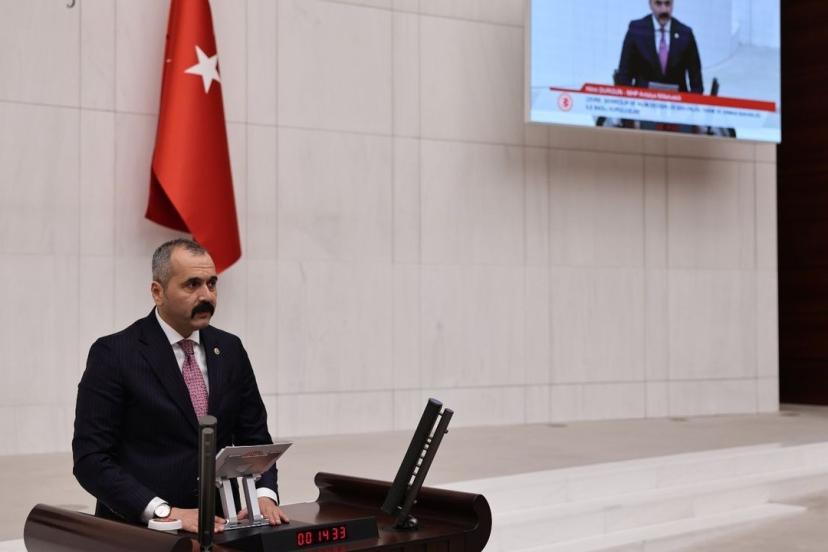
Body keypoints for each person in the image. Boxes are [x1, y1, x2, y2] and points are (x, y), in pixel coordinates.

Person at [72, 239, 288, 533]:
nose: (207, 295)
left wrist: (263, 496)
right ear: (157, 292)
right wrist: (164, 512)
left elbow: (255, 440)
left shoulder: (230, 349)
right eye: (192, 285)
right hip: (141, 532)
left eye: (212, 284)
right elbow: (91, 460)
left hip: (222, 528)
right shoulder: (115, 354)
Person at [617, 0, 703, 93]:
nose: (664, 10)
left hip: (677, 99)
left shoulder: (685, 34)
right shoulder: (637, 30)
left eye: (667, 4)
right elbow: (624, 74)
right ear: (650, 4)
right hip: (642, 98)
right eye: (658, 3)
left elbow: (696, 81)